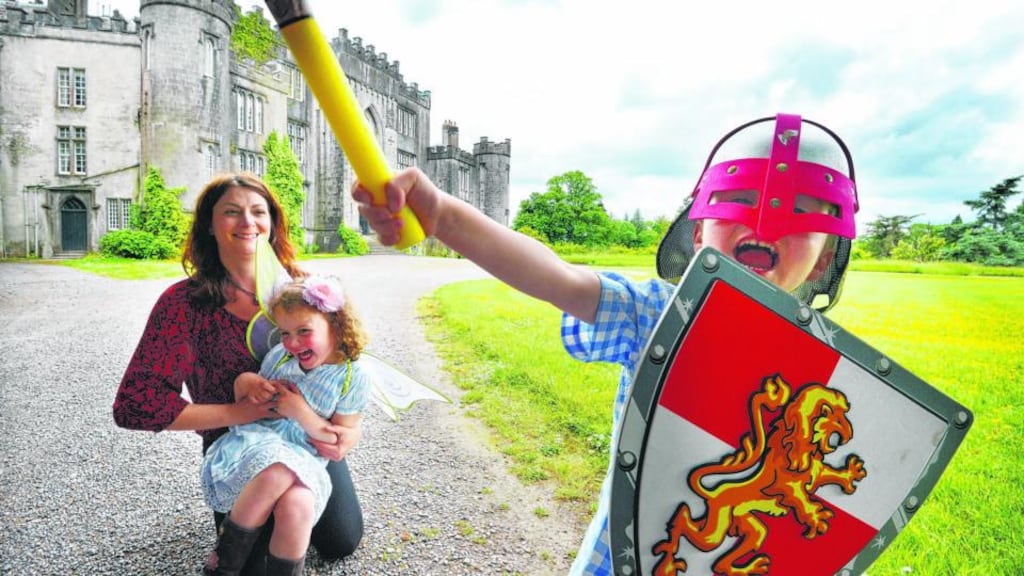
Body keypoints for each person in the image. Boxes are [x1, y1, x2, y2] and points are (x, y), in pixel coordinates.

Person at [351, 113, 860, 575]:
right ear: (700, 231)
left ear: (822, 261)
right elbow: (555, 276)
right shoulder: (658, 314)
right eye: (741, 200)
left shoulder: (827, 372)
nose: (765, 222)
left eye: (801, 214)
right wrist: (441, 215)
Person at [113, 173, 364, 575]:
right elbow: (135, 405)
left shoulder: (303, 291)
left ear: (273, 223)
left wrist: (349, 430)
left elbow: (348, 364)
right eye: (231, 212)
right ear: (210, 227)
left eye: (258, 212)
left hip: (305, 436)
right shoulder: (183, 304)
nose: (248, 222)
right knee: (251, 566)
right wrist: (240, 412)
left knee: (341, 541)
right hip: (237, 444)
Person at [201, 275, 369, 576]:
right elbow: (247, 398)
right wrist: (247, 382)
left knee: (300, 505)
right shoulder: (280, 358)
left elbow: (333, 442)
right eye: (285, 333)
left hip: (307, 456)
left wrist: (299, 410)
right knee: (277, 471)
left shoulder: (351, 377)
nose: (291, 343)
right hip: (258, 442)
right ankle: (222, 567)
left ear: (336, 324)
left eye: (304, 331)